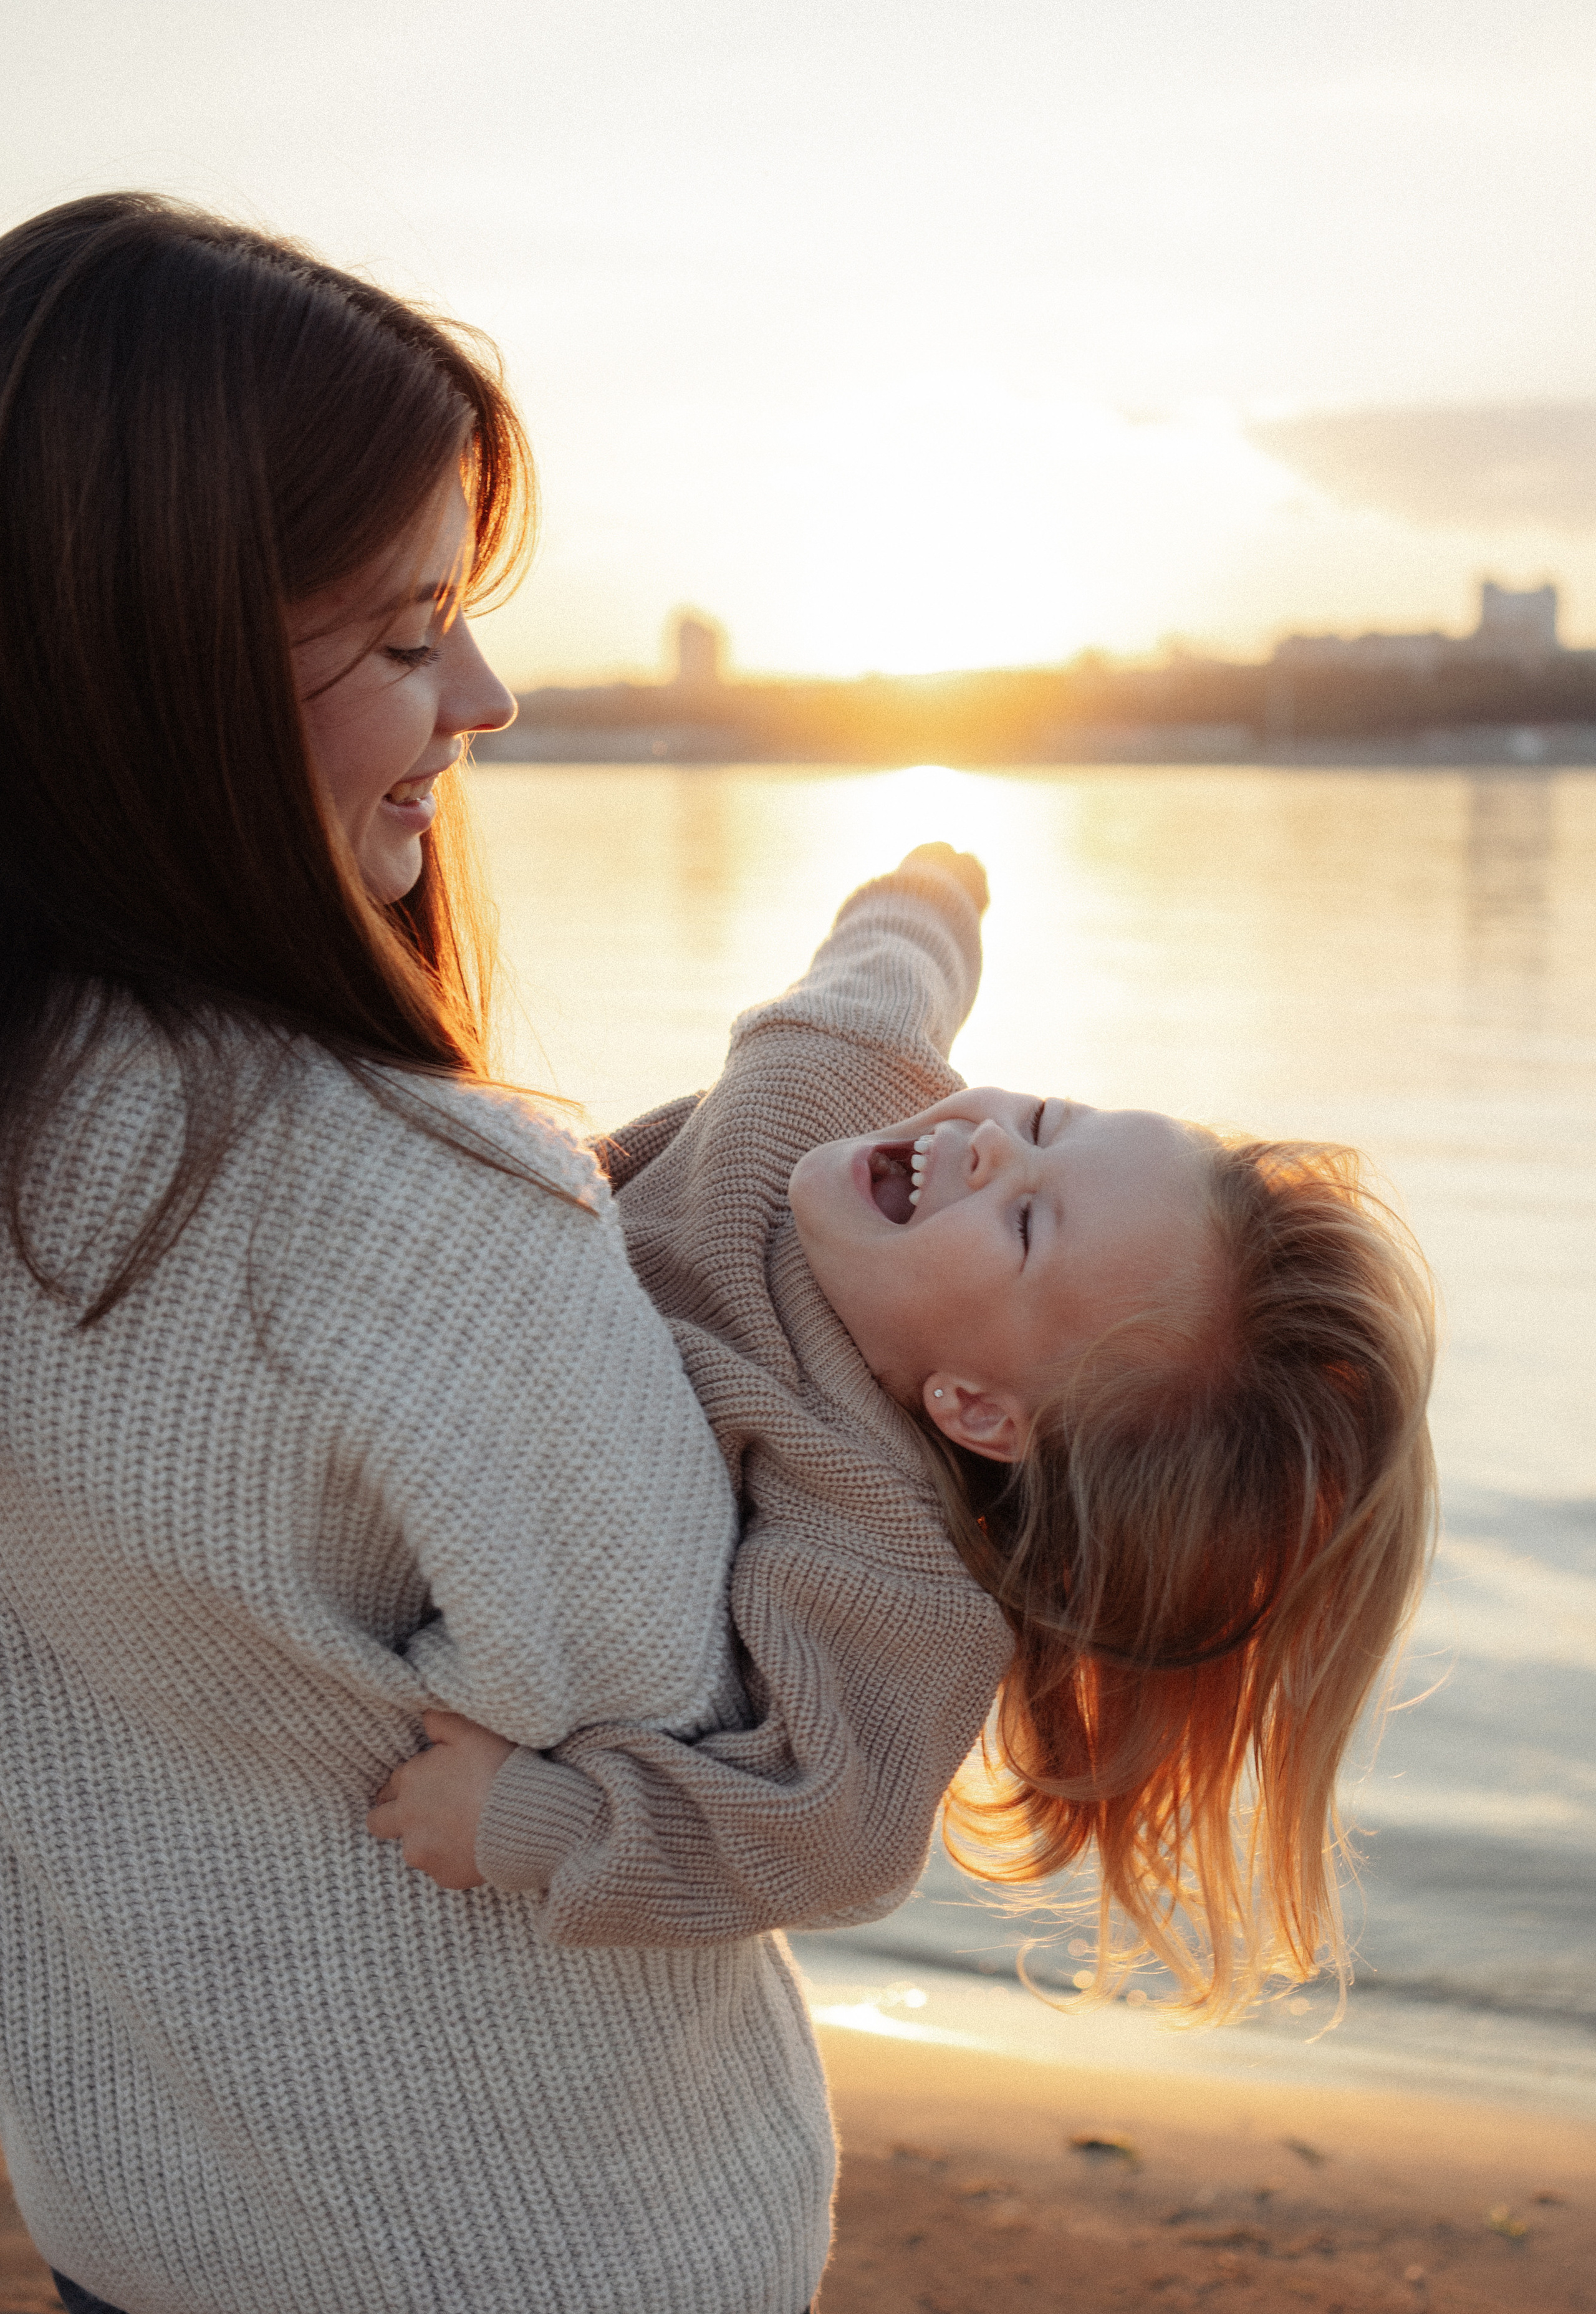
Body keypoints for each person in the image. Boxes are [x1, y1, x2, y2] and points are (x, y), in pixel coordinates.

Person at [0, 190, 926, 2314]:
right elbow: (704, 1745)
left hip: (138, 2204)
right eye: (413, 637)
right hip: (543, 2259)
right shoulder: (424, 1209)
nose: (488, 698)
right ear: (161, 676)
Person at [375, 843, 1438, 2020]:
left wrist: (538, 1823)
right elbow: (889, 967)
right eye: (1050, 1119)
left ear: (976, 1408)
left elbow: (837, 1838)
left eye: (1026, 1224)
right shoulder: (838, 1080)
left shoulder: (879, 1529)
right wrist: (937, 888)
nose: (992, 1142)